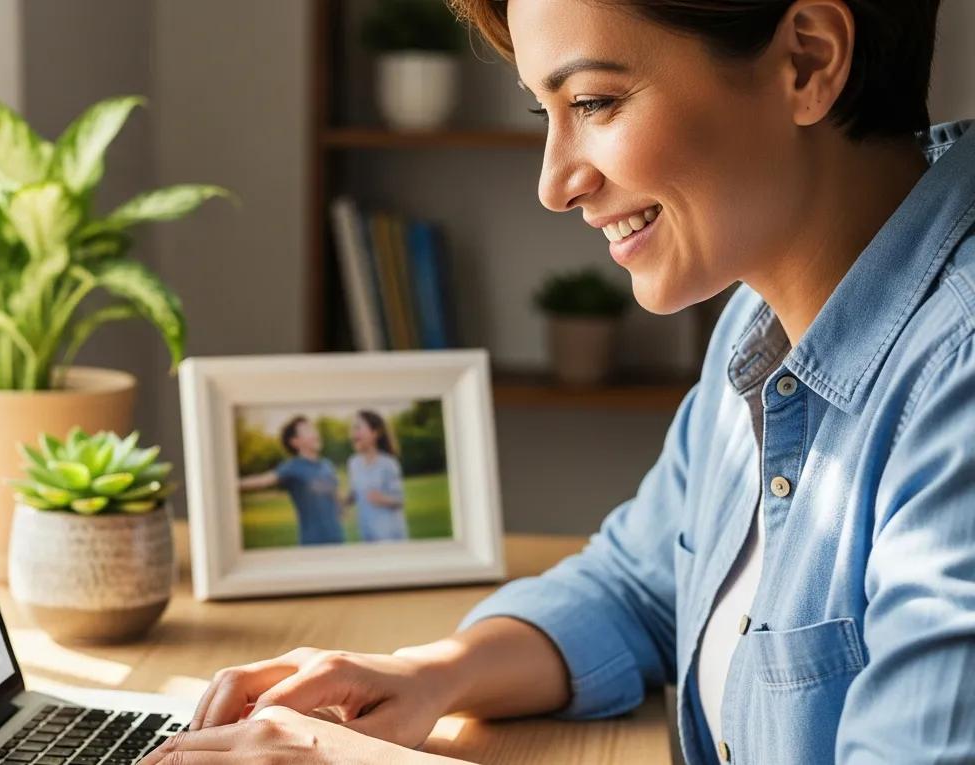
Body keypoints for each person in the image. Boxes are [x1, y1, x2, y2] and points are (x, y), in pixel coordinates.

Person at [144, 1, 972, 763]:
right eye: (547, 113)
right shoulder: (762, 318)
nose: (553, 182)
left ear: (807, 60)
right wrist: (430, 674)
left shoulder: (956, 380)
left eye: (595, 103)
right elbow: (640, 583)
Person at [238, 415, 345, 546]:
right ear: (295, 442)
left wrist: (341, 507)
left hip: (337, 540)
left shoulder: (327, 465)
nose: (315, 433)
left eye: (313, 428)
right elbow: (263, 480)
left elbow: (335, 497)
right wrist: (230, 484)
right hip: (313, 543)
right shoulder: (292, 466)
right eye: (307, 430)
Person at [344, 410, 408, 543]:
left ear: (375, 433)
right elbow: (355, 493)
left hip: (390, 536)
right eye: (352, 429)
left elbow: (400, 500)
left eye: (358, 427)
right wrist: (343, 501)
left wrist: (383, 499)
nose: (353, 433)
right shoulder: (353, 463)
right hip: (367, 535)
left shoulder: (388, 464)